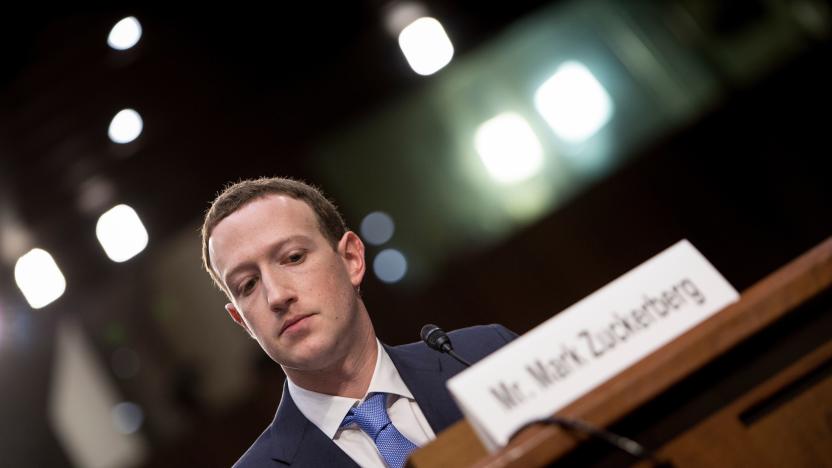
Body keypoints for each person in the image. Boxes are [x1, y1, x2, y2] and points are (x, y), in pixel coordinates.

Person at [201, 177, 515, 468]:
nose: (276, 296)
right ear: (242, 321)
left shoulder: (486, 355)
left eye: (293, 257)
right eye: (248, 285)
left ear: (352, 259)